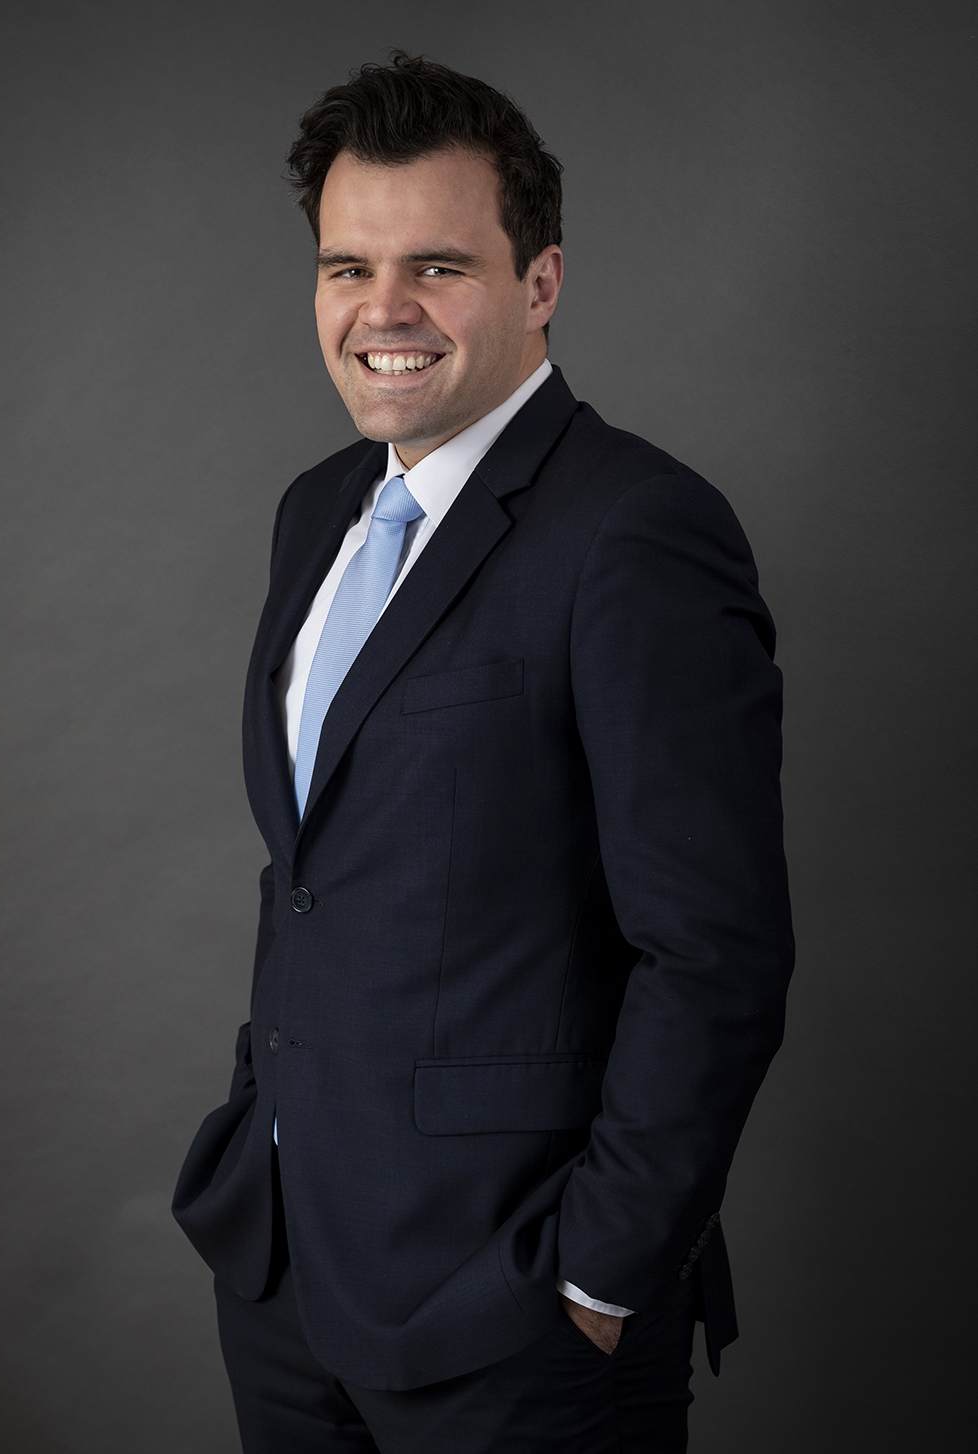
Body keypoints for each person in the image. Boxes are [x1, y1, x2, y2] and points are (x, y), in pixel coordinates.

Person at [173, 51, 794, 1454]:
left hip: (510, 1313)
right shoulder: (318, 510)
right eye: (347, 268)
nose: (382, 311)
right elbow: (317, 869)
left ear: (540, 282)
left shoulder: (635, 530)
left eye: (437, 267)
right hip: (284, 1273)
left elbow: (715, 949)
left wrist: (598, 1275)